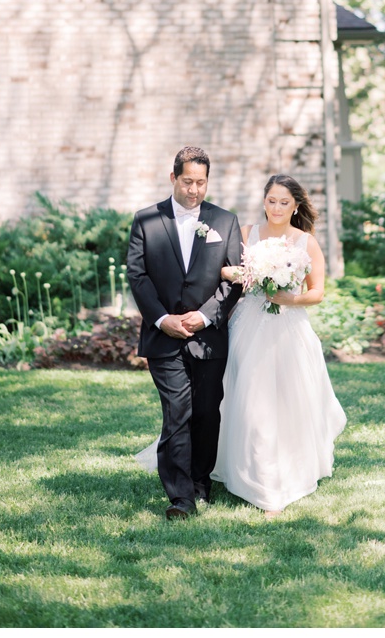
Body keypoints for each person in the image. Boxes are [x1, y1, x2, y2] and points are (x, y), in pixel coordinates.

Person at [209, 174, 348, 514]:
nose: (276, 207)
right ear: (264, 201)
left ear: (295, 205)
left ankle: (287, 471)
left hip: (289, 328)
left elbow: (317, 293)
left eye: (284, 202)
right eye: (271, 200)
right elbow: (227, 271)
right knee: (249, 398)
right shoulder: (247, 235)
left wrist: (289, 297)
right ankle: (255, 475)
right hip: (248, 325)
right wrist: (237, 274)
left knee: (286, 401)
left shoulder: (306, 242)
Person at [128, 146, 244, 519]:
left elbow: (236, 279)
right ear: (173, 177)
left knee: (207, 413)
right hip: (164, 336)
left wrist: (206, 316)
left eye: (201, 182)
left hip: (208, 337)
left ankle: (200, 483)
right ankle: (181, 497)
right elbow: (138, 275)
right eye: (188, 181)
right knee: (177, 411)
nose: (194, 190)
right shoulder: (146, 220)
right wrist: (163, 320)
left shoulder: (224, 221)